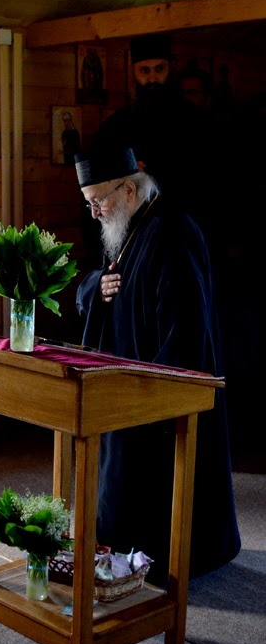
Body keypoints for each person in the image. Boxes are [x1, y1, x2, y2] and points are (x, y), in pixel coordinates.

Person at [73, 146, 241, 585]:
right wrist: (97, 287)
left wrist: (155, 399)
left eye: (98, 201)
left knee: (156, 493)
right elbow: (97, 285)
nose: (94, 213)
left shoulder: (172, 232)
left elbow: (185, 330)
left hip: (157, 392)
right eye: (89, 203)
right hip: (124, 384)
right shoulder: (127, 226)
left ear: (129, 190)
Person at [90, 34, 215, 237]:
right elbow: (97, 176)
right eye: (144, 71)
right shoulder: (116, 126)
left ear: (170, 68)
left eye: (159, 69)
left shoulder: (196, 121)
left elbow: (210, 178)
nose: (152, 79)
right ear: (133, 72)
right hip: (136, 230)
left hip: (185, 228)